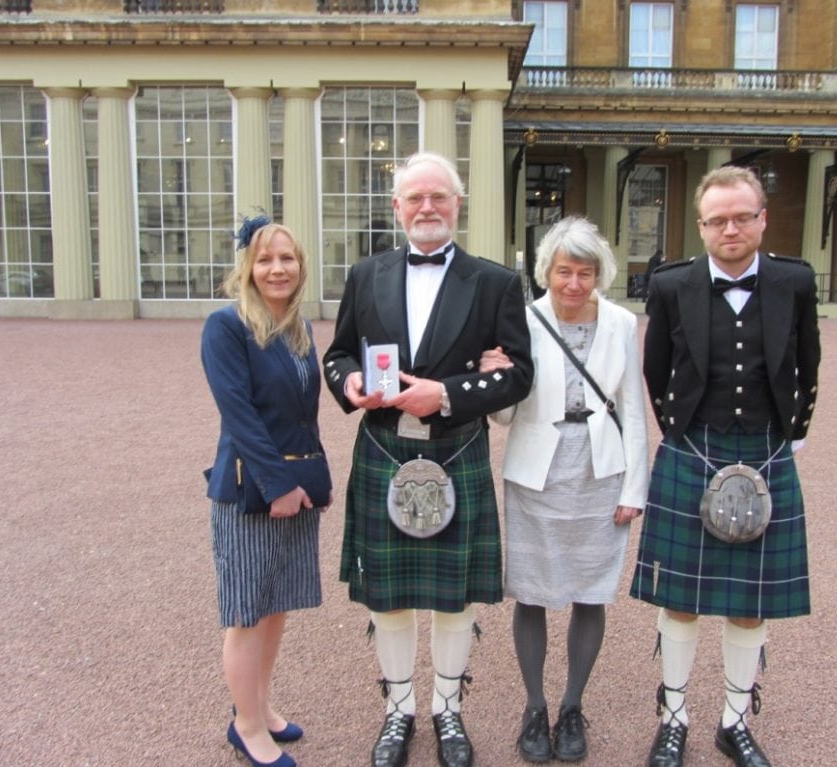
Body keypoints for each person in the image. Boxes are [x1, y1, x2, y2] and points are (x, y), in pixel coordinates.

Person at [322, 151, 534, 767]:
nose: (427, 208)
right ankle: (398, 711)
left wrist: (445, 394)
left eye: (439, 197)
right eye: (414, 198)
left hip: (457, 447)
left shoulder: (495, 281)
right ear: (397, 208)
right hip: (384, 447)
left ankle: (448, 710)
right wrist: (350, 384)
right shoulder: (366, 275)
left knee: (452, 597)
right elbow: (337, 356)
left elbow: (519, 374)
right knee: (387, 596)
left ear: (457, 205)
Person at [630, 166, 821, 767]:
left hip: (766, 449)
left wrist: (792, 436)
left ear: (762, 219)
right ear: (702, 226)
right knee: (680, 600)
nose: (730, 228)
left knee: (751, 602)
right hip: (693, 449)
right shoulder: (669, 286)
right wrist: (682, 437)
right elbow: (655, 370)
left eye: (743, 217)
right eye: (718, 220)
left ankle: (734, 722)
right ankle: (674, 718)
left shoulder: (794, 281)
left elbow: (808, 364)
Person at [487, 216, 649, 763]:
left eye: (585, 272)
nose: (574, 283)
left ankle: (572, 705)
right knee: (531, 588)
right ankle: (535, 706)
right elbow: (505, 417)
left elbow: (632, 409)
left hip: (600, 469)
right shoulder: (523, 320)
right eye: (563, 271)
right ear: (546, 272)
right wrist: (496, 378)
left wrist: (636, 487)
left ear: (599, 273)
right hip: (537, 469)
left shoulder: (623, 324)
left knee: (591, 589)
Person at [201, 218, 331, 767]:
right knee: (248, 614)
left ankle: (258, 704)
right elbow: (240, 414)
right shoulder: (226, 326)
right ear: (247, 270)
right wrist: (278, 485)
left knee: (277, 608)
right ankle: (247, 726)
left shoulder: (299, 330)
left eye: (287, 259)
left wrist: (307, 483)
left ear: (300, 266)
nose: (277, 269)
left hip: (296, 490)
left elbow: (303, 417)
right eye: (264, 260)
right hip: (251, 493)